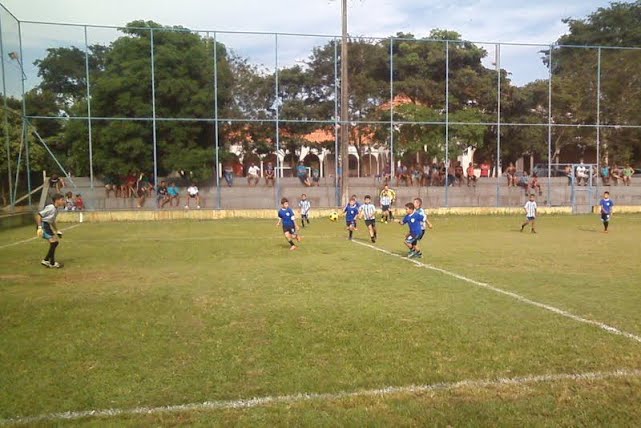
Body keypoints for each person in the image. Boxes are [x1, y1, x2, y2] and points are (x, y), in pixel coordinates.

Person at [36, 193, 66, 268]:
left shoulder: (56, 209)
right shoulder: (51, 207)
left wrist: (57, 230)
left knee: (55, 243)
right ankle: (51, 263)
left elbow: (52, 221)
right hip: (43, 225)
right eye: (62, 200)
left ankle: (47, 260)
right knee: (54, 242)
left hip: (47, 225)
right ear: (56, 200)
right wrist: (39, 227)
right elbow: (39, 215)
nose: (63, 201)